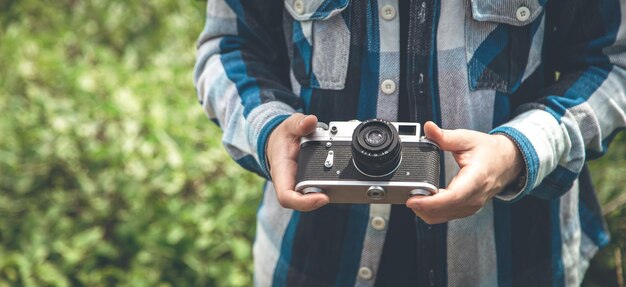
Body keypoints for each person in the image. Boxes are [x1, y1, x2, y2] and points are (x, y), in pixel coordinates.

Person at [194, 0, 626, 285]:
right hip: (313, 257)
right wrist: (270, 128)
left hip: (512, 257)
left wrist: (518, 152)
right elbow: (229, 48)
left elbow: (611, 64)